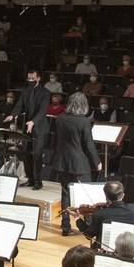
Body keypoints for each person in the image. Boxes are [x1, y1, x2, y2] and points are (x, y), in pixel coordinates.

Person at [51, 93, 102, 236]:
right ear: (83, 105)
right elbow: (89, 145)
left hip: (62, 160)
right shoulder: (83, 121)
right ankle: (88, 226)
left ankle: (65, 226)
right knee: (86, 194)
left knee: (66, 194)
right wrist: (97, 162)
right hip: (79, 163)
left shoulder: (60, 118)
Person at [5, 68, 51, 189]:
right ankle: (30, 179)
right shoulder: (25, 91)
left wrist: (33, 122)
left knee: (36, 154)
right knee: (25, 153)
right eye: (29, 78)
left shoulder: (45, 92)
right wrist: (13, 115)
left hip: (39, 128)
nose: (30, 80)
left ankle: (38, 181)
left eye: (33, 78)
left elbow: (42, 111)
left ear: (38, 79)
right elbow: (19, 105)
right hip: (27, 127)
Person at [77, 179, 134, 245]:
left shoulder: (100, 214)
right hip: (127, 246)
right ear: (123, 195)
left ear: (106, 198)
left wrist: (77, 218)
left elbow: (88, 235)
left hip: (104, 248)